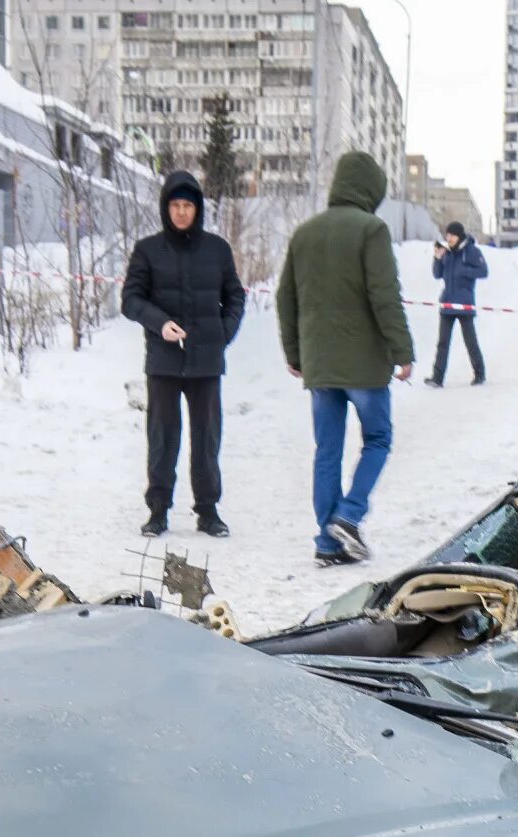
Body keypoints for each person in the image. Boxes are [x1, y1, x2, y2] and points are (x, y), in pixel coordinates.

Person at [277, 149, 414, 566]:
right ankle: (349, 516)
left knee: (327, 451)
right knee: (378, 439)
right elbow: (384, 295)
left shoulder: (304, 233)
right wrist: (402, 350)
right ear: (371, 190)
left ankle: (326, 542)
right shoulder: (371, 230)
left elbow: (287, 298)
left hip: (320, 366)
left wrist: (295, 353)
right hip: (364, 366)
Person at [120, 170, 246, 539]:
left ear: (197, 209)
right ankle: (158, 510)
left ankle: (208, 510)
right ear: (165, 208)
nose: (180, 212)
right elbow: (131, 299)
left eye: (187, 205)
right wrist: (160, 323)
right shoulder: (147, 250)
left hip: (206, 361)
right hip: (164, 360)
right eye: (174, 205)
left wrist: (224, 332)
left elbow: (235, 296)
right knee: (162, 435)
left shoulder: (217, 249)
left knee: (207, 437)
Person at [428, 221, 488, 388]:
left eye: (452, 235)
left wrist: (465, 271)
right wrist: (437, 258)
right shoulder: (447, 253)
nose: (449, 238)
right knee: (442, 343)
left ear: (459, 235)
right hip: (447, 303)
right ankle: (437, 378)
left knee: (470, 341)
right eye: (447, 235)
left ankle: (479, 374)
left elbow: (483, 272)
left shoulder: (471, 251)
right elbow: (437, 274)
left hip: (465, 304)